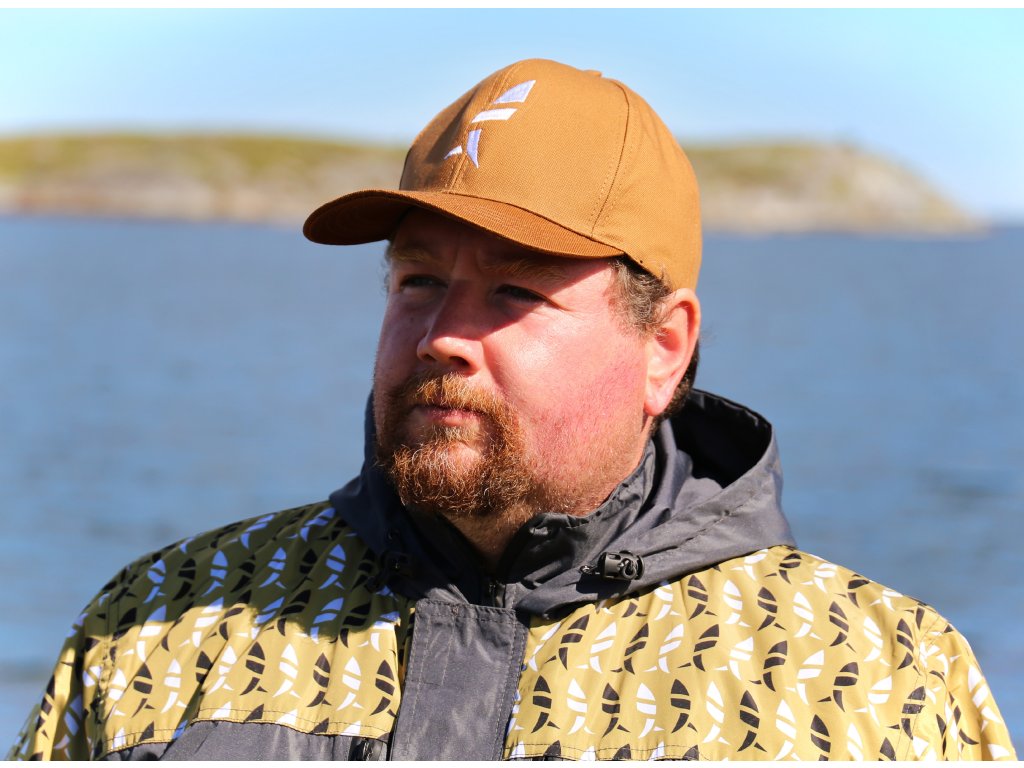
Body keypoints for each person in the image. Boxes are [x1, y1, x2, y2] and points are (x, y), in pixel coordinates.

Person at [9, 58, 1015, 762]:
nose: (442, 334)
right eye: (417, 281)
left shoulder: (875, 677)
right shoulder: (157, 625)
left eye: (514, 291)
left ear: (663, 347)